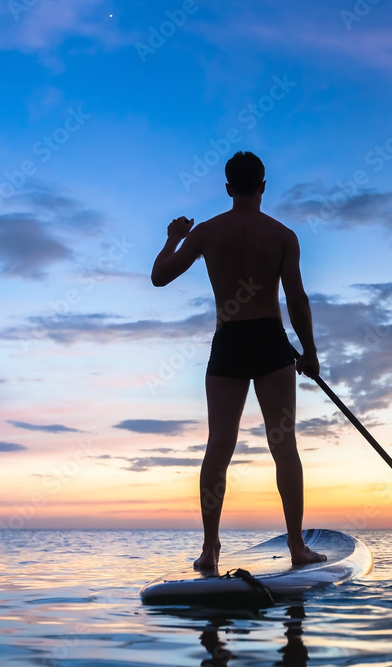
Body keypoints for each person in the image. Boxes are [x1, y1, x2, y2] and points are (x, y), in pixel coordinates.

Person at [151, 151, 326, 570]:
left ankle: (210, 549)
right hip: (271, 341)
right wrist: (310, 352)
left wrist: (174, 237)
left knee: (219, 446)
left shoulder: (208, 233)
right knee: (284, 446)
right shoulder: (283, 236)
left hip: (229, 341)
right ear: (263, 186)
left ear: (228, 188)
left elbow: (159, 276)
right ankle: (297, 546)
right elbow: (296, 298)